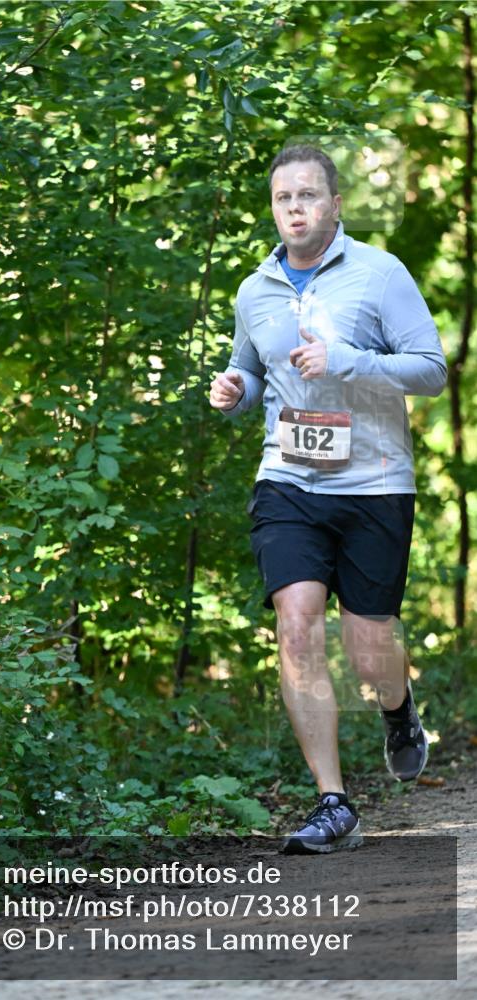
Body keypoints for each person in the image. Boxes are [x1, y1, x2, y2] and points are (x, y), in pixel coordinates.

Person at [209, 144, 447, 855]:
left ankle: (398, 709)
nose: (295, 208)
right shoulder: (254, 289)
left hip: (374, 481)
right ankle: (333, 803)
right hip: (288, 479)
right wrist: (234, 391)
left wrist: (348, 361)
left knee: (369, 648)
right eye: (284, 198)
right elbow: (250, 369)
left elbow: (431, 370)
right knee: (295, 623)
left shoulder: (380, 274)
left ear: (335, 205)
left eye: (308, 195)